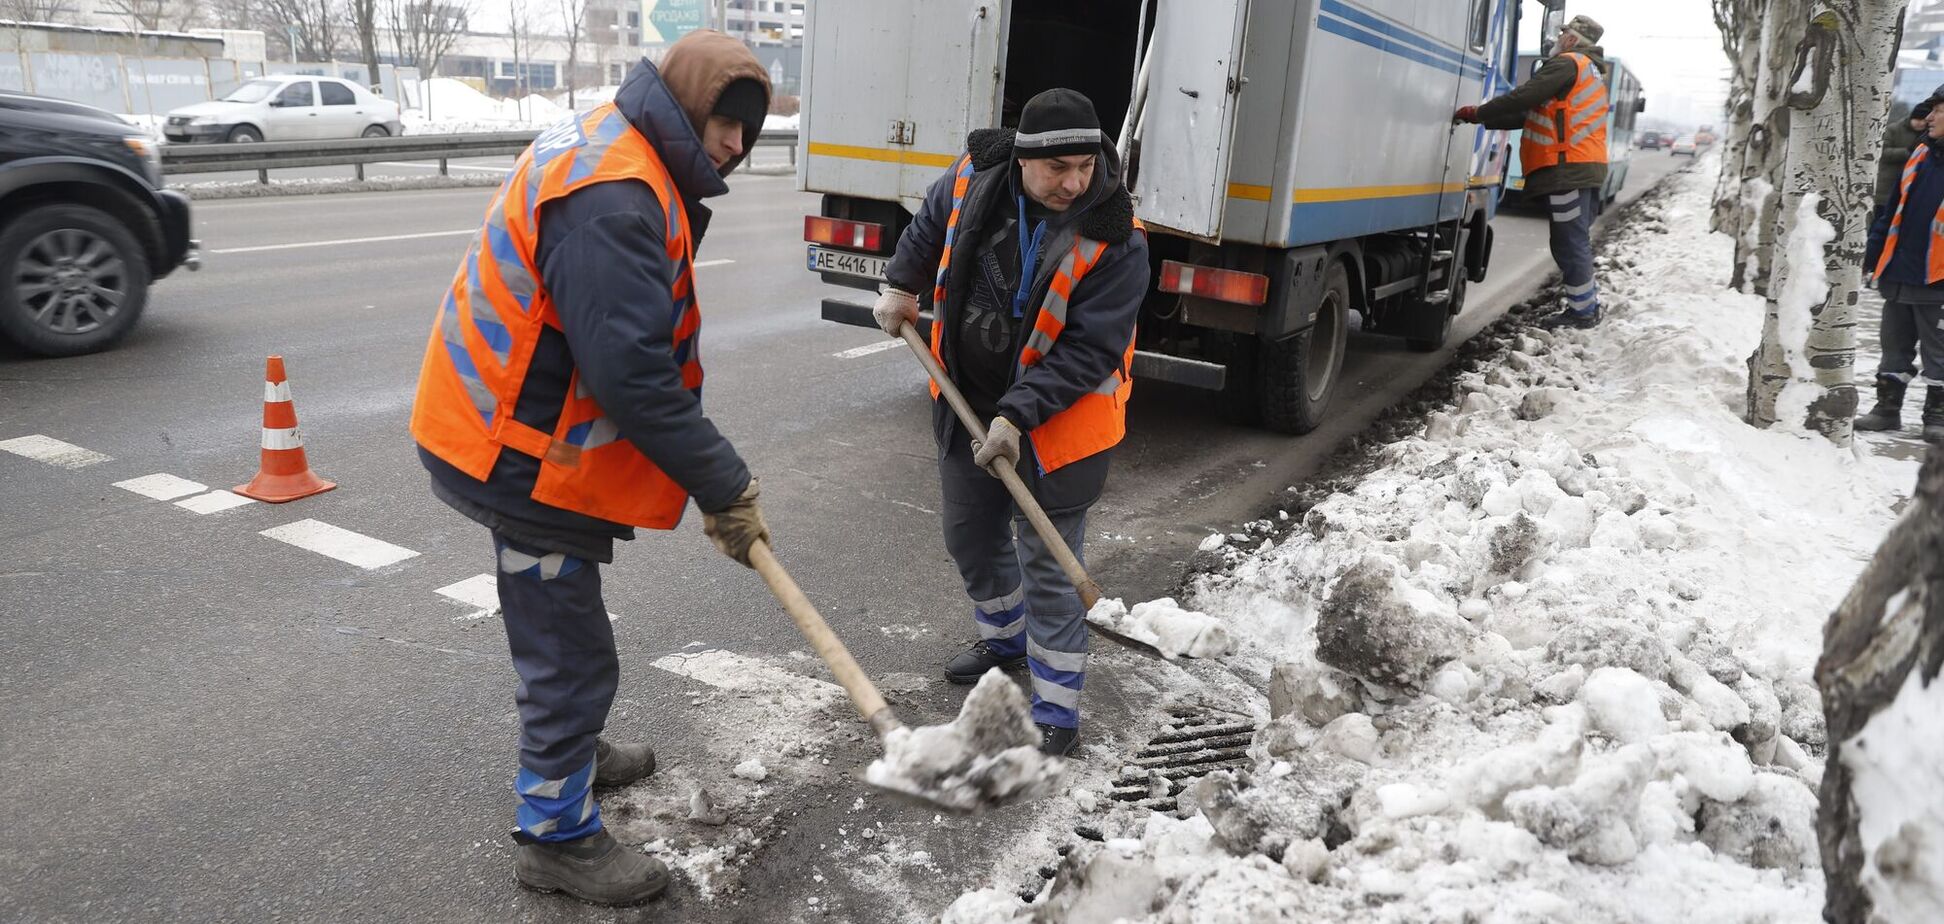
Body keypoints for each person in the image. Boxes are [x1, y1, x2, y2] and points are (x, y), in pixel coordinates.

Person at [409, 30, 773, 906]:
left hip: (516, 434)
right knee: (570, 656)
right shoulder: (615, 193)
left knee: (567, 637)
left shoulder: (622, 147)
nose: (734, 146)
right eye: (726, 124)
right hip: (518, 455)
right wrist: (723, 484)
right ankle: (556, 835)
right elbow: (633, 373)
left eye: (748, 134)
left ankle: (572, 755)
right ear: (688, 107)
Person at [873, 89, 1150, 757]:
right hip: (965, 399)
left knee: (1052, 566)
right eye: (1059, 169)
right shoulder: (974, 176)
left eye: (1085, 166)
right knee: (969, 535)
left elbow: (1091, 350)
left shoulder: (1117, 236)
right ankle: (1004, 641)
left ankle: (1057, 710)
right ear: (1024, 162)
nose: (1075, 182)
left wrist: (1017, 416)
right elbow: (928, 223)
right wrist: (902, 283)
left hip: (1060, 428)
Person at [1456, 14, 1610, 330]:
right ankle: (1585, 307)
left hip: (1569, 168)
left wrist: (1479, 111)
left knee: (1569, 241)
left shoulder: (1568, 64)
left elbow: (1525, 96)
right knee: (1571, 239)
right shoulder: (1589, 71)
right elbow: (1534, 114)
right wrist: (1483, 120)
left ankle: (1584, 313)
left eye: (1562, 33)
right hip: (1584, 167)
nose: (1557, 38)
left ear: (1571, 39)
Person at [1864, 98, 1944, 444]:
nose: (1930, 117)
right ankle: (1886, 409)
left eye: (1939, 112)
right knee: (1893, 345)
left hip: (1937, 278)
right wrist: (1874, 252)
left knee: (1939, 352)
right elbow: (1892, 210)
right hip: (1900, 270)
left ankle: (1937, 416)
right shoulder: (1921, 155)